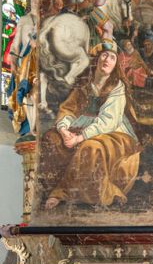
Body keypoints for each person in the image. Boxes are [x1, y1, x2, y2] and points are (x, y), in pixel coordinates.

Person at [43, 43, 141, 210]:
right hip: (81, 129)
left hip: (115, 134)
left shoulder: (117, 87)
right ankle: (59, 190)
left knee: (91, 147)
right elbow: (68, 109)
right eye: (104, 55)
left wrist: (78, 138)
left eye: (112, 57)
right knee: (51, 139)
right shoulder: (84, 87)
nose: (107, 60)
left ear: (116, 64)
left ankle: (69, 193)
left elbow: (108, 121)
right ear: (96, 59)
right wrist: (64, 130)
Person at [7, 0, 38, 140]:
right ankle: (28, 127)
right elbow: (16, 44)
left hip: (41, 62)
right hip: (26, 62)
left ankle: (37, 126)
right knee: (26, 93)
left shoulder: (47, 22)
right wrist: (13, 62)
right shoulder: (24, 20)